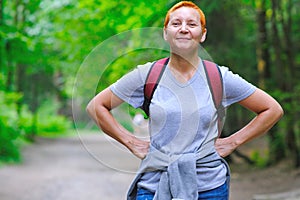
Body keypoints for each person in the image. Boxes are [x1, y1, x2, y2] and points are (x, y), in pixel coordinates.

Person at [86, 1, 283, 199]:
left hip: (209, 187)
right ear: (165, 33)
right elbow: (96, 106)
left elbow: (272, 109)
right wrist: (131, 142)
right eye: (176, 23)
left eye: (191, 24)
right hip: (155, 185)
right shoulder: (147, 75)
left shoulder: (219, 77)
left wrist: (232, 142)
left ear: (203, 34)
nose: (183, 29)